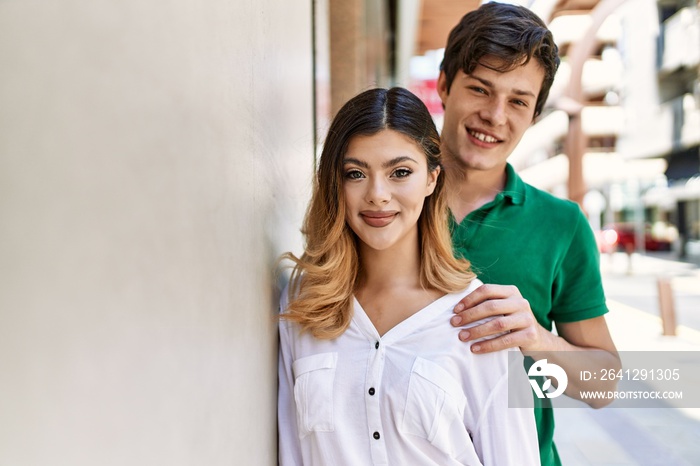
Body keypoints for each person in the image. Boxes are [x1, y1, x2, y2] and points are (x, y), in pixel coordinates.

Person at [277, 87, 539, 465]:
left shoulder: (483, 315)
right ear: (335, 183)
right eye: (355, 173)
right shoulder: (302, 301)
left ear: (432, 178)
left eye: (400, 172)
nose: (377, 195)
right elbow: (292, 450)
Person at [436, 3, 621, 466]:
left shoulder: (561, 225)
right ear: (443, 86)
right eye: (480, 89)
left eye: (518, 101)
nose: (496, 116)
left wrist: (536, 338)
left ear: (535, 113)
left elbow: (604, 386)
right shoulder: (386, 203)